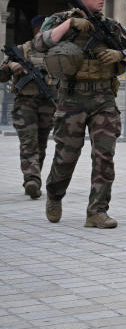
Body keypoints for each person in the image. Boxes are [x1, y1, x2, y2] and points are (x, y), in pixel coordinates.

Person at [35, 0, 126, 228]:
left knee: (104, 155)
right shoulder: (61, 19)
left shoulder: (111, 26)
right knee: (66, 155)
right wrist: (71, 24)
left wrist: (122, 54)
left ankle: (97, 211)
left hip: (104, 98)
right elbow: (40, 43)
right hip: (72, 97)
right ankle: (54, 194)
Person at [0, 15, 57, 198]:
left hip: (48, 103)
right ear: (36, 31)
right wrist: (11, 66)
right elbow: (1, 75)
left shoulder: (57, 52)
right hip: (25, 103)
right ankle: (32, 179)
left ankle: (34, 177)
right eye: (44, 29)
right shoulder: (20, 50)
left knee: (41, 143)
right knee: (28, 141)